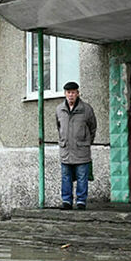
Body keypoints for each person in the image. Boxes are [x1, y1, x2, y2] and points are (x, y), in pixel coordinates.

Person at [55, 81, 97, 210]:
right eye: (68, 93)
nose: (71, 95)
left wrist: (86, 142)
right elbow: (59, 127)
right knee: (66, 177)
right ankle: (67, 201)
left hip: (81, 150)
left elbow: (93, 128)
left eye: (73, 92)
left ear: (78, 93)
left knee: (82, 177)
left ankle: (81, 202)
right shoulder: (59, 109)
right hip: (66, 150)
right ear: (65, 94)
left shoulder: (86, 109)